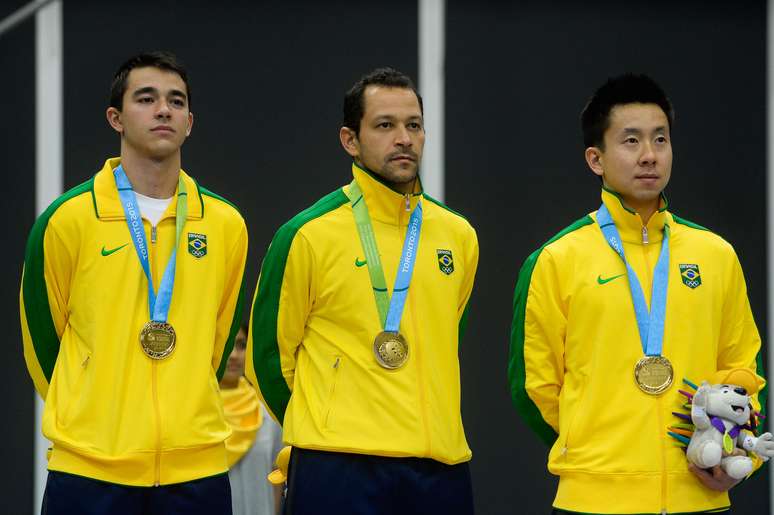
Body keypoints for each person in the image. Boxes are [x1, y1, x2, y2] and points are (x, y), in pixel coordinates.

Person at [508, 73, 766, 514]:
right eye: (631, 141)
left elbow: (743, 369)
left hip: (699, 498)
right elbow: (534, 386)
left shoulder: (716, 254)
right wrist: (594, 451)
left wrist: (736, 451)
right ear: (596, 158)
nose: (649, 155)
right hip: (593, 500)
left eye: (660, 140)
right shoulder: (555, 259)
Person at [20, 51, 247, 515]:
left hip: (196, 473)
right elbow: (43, 341)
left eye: (176, 101)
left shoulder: (225, 224)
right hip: (90, 471)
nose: (164, 109)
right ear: (116, 118)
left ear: (190, 122)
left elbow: (218, 340)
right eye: (146, 98)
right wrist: (92, 411)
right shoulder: (68, 220)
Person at [246, 67, 479, 514]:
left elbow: (444, 339)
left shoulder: (458, 236)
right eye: (385, 125)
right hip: (337, 468)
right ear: (350, 140)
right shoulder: (306, 234)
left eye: (413, 125)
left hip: (440, 467)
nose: (404, 138)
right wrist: (324, 424)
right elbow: (267, 357)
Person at [220, 325, 283, 515]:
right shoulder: (201, 413)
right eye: (226, 345)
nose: (233, 355)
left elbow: (277, 477)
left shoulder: (266, 411)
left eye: (240, 345)